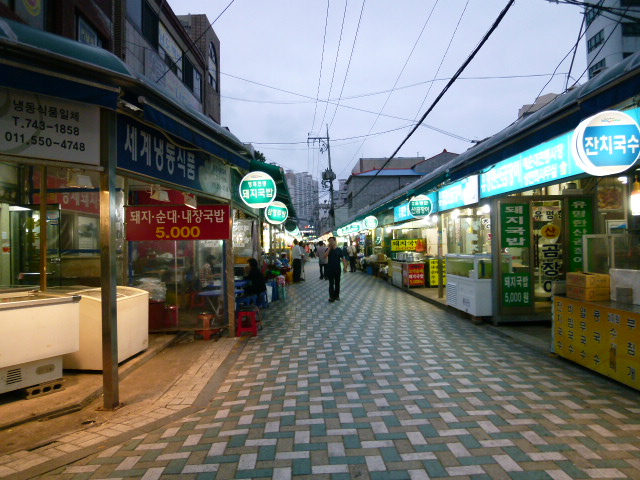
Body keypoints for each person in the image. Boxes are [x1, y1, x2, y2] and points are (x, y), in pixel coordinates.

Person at [324, 236, 347, 302]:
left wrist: (345, 267)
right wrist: (329, 248)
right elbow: (325, 256)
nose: (331, 242)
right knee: (331, 283)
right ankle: (331, 297)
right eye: (329, 241)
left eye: (332, 241)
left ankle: (337, 296)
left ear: (335, 241)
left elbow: (343, 259)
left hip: (337, 268)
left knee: (337, 283)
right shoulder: (328, 249)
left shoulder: (339, 250)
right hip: (330, 268)